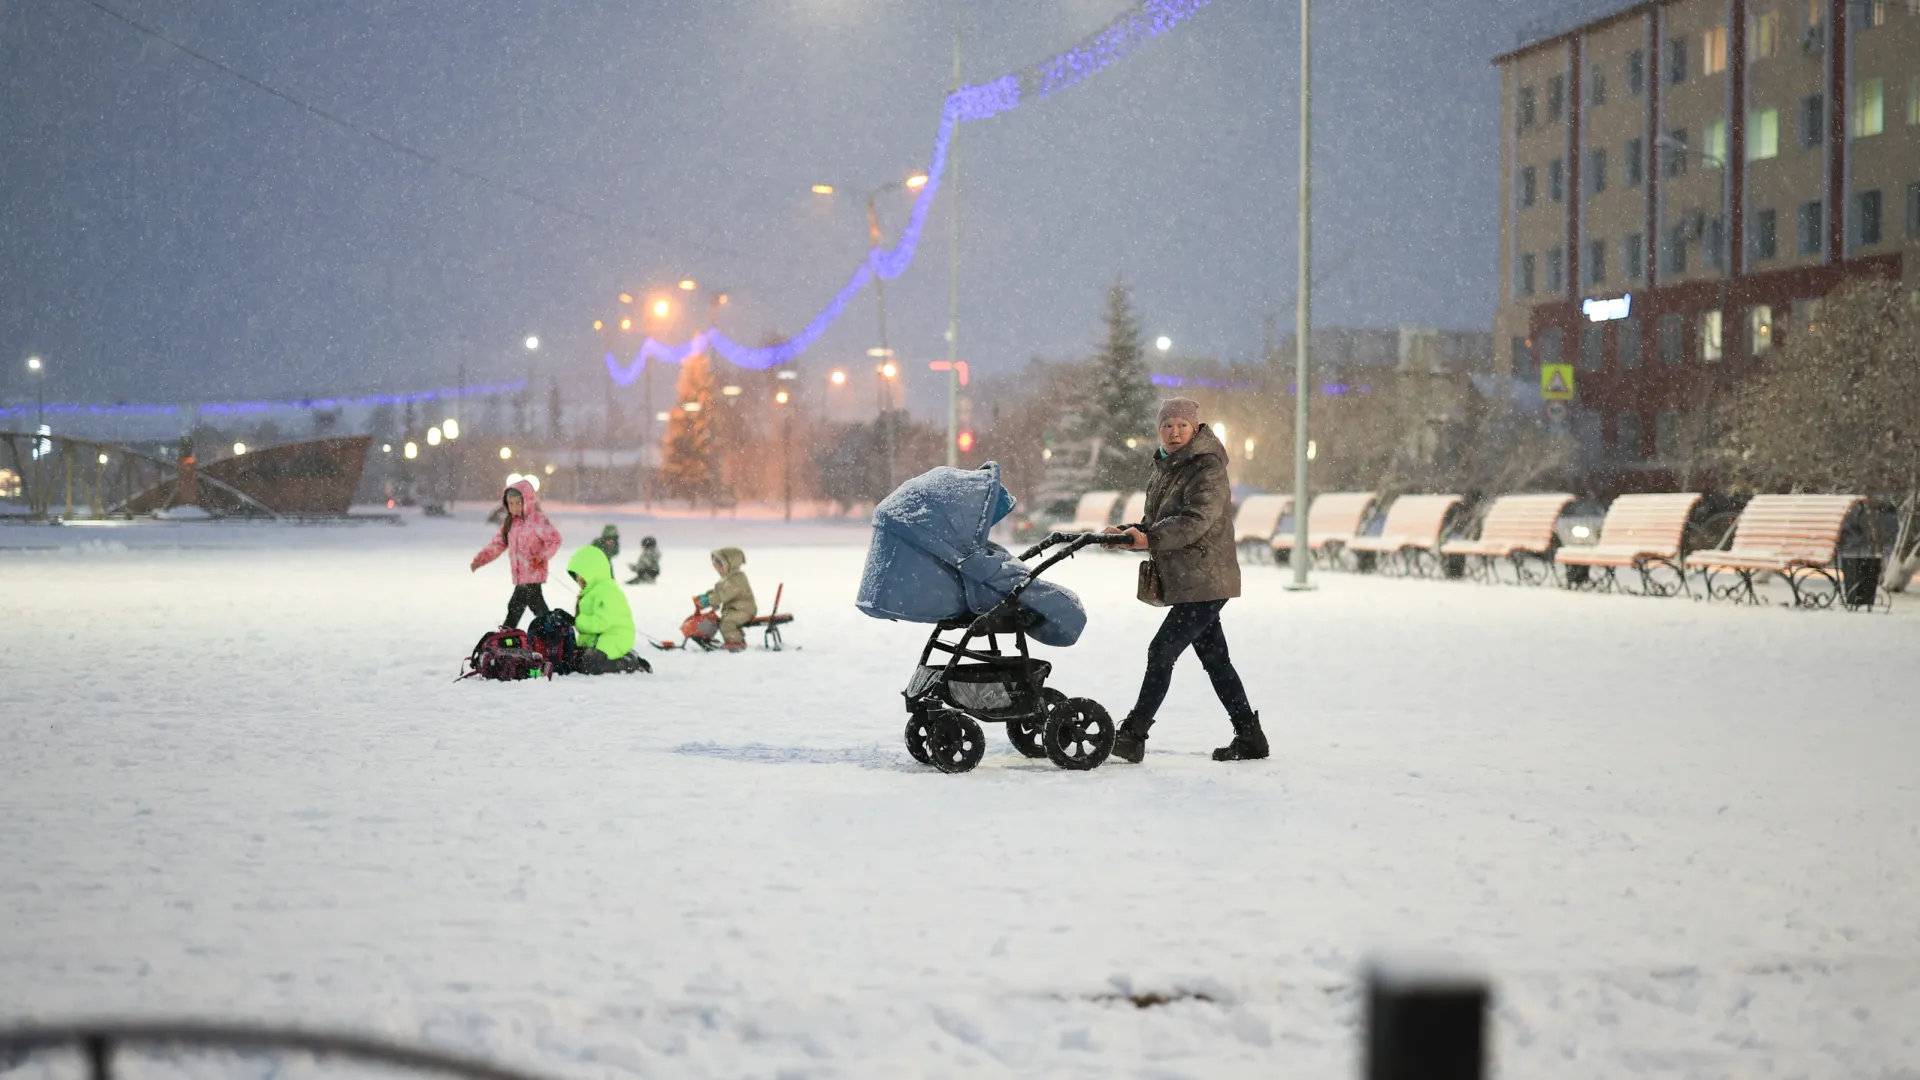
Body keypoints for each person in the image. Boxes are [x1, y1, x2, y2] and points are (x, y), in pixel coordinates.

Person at [1104, 398, 1266, 763]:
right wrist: (1129, 534)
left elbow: (1196, 520)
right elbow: (1160, 521)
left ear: (1195, 429)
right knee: (1216, 659)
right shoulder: (1165, 468)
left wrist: (1150, 538)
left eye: (1181, 425)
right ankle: (1250, 736)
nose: (1174, 432)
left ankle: (1133, 733)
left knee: (1161, 650)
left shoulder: (1206, 468)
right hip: (1191, 579)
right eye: (1167, 425)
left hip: (1207, 577)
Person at [470, 479, 563, 629]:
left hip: (533, 573)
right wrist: (480, 560)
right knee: (530, 606)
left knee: (519, 605)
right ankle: (549, 631)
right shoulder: (510, 524)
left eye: (518, 503)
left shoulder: (537, 520)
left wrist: (541, 556)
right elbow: (497, 544)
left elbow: (555, 540)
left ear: (527, 501)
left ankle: (512, 632)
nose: (514, 507)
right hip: (520, 576)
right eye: (510, 504)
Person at [565, 546, 649, 674]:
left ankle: (629, 663)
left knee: (590, 665)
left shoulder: (607, 591)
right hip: (597, 640)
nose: (578, 580)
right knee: (573, 660)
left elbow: (602, 622)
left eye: (581, 576)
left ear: (592, 572)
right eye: (576, 576)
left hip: (614, 638)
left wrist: (577, 621)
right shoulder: (590, 592)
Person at [696, 547, 757, 651]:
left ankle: (736, 644)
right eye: (716, 566)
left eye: (720, 566)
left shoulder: (737, 578)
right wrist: (707, 596)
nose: (718, 569)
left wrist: (709, 600)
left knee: (727, 623)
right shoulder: (728, 578)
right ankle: (734, 638)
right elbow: (717, 591)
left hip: (744, 610)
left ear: (730, 564)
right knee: (719, 621)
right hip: (734, 609)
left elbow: (724, 594)